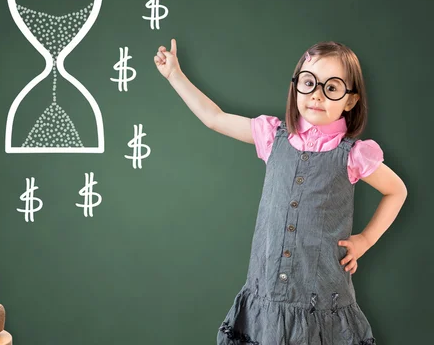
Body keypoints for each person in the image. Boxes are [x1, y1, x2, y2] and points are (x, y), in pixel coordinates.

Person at [154, 39, 407, 344]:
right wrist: (174, 75)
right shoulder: (274, 137)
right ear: (296, 86)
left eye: (332, 87)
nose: (316, 94)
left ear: (350, 100)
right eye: (309, 82)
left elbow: (397, 191)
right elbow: (215, 118)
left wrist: (365, 240)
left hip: (321, 298)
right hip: (267, 291)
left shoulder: (353, 154)